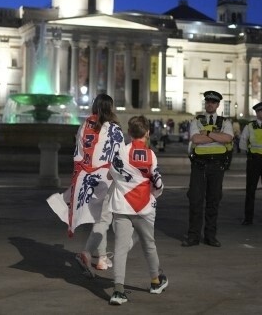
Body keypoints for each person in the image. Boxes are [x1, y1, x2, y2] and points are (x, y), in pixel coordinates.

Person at [107, 116, 168, 305]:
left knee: (120, 248)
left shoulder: (119, 153)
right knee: (149, 245)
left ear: (129, 132)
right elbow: (156, 183)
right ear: (148, 133)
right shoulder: (151, 155)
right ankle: (155, 282)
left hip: (122, 205)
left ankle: (118, 291)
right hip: (144, 207)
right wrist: (154, 196)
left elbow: (111, 175)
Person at [73, 93, 124, 276]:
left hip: (87, 178)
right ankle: (86, 253)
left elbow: (78, 154)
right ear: (110, 108)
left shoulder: (84, 126)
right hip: (106, 178)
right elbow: (120, 158)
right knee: (104, 219)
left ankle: (102, 258)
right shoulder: (114, 130)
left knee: (98, 219)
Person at [182, 91, 234, 248]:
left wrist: (208, 133)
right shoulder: (197, 121)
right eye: (208, 101)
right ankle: (193, 236)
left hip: (217, 166)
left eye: (213, 102)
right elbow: (196, 139)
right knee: (196, 200)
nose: (210, 104)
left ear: (218, 105)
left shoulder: (225, 122)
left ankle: (211, 236)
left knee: (213, 200)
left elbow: (228, 138)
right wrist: (217, 137)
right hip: (199, 165)